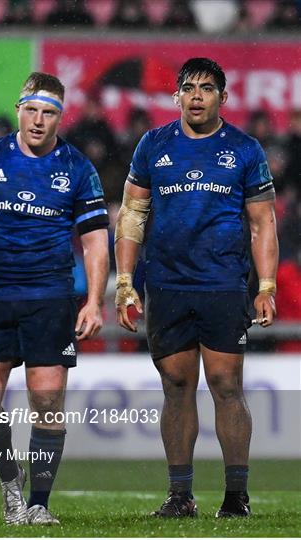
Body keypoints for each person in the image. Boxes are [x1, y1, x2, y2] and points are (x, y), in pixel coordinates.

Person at [0, 72, 109, 526]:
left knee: (48, 401)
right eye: (31, 110)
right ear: (18, 108)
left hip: (49, 296)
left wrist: (93, 301)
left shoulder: (77, 168)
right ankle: (11, 484)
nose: (37, 120)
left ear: (60, 116)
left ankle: (39, 504)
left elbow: (93, 241)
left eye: (48, 113)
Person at [114, 58, 278, 518]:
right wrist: (125, 282)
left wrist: (265, 286)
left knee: (226, 385)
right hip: (166, 285)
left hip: (223, 284)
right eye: (189, 87)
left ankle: (236, 496)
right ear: (177, 97)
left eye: (208, 88)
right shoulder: (153, 145)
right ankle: (181, 495)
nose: (198, 95)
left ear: (223, 98)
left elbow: (263, 223)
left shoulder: (245, 150)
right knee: (177, 386)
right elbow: (132, 216)